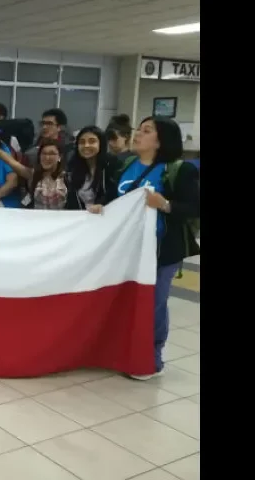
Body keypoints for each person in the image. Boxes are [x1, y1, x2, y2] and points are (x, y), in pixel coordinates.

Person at [89, 116, 200, 380]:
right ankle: (124, 350)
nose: (138, 134)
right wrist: (101, 206)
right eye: (139, 129)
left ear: (161, 140)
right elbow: (115, 198)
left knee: (154, 303)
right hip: (127, 249)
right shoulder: (125, 164)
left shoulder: (178, 170)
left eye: (146, 131)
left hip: (162, 251)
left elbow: (194, 207)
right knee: (125, 300)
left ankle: (153, 356)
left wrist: (165, 205)